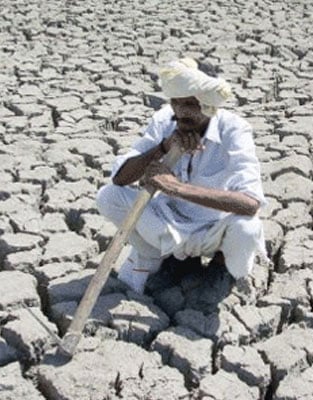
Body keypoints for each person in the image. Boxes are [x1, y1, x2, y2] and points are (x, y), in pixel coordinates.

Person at [95, 58, 266, 294]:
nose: (181, 111)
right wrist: (162, 148)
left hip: (213, 230)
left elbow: (250, 204)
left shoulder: (234, 130)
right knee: (109, 196)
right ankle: (156, 256)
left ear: (209, 104)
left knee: (247, 228)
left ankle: (222, 269)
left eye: (190, 103)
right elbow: (120, 179)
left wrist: (175, 188)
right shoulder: (165, 120)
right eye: (176, 102)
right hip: (168, 222)